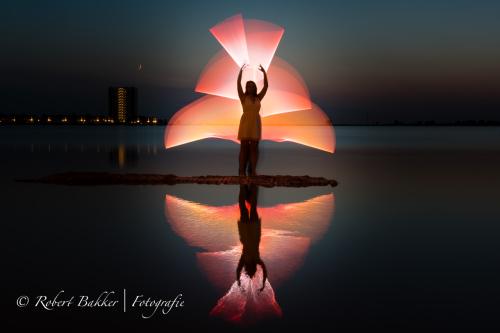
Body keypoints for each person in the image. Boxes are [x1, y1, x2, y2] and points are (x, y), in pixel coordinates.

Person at [237, 64, 268, 176]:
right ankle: (241, 169)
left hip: (255, 122)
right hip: (245, 122)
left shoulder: (258, 98)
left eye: (251, 86)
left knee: (254, 147)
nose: (249, 87)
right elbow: (238, 85)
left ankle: (252, 169)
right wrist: (240, 72)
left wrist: (264, 73)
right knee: (244, 146)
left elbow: (266, 87)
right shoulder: (243, 97)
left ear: (254, 88)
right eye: (247, 86)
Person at [236, 184, 267, 292]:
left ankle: (245, 186)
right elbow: (264, 269)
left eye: (247, 271)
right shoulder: (255, 260)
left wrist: (239, 282)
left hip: (249, 231)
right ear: (251, 269)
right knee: (248, 207)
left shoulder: (246, 260)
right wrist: (263, 283)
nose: (247, 270)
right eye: (249, 271)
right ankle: (246, 186)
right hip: (250, 231)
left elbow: (238, 270)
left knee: (247, 207)